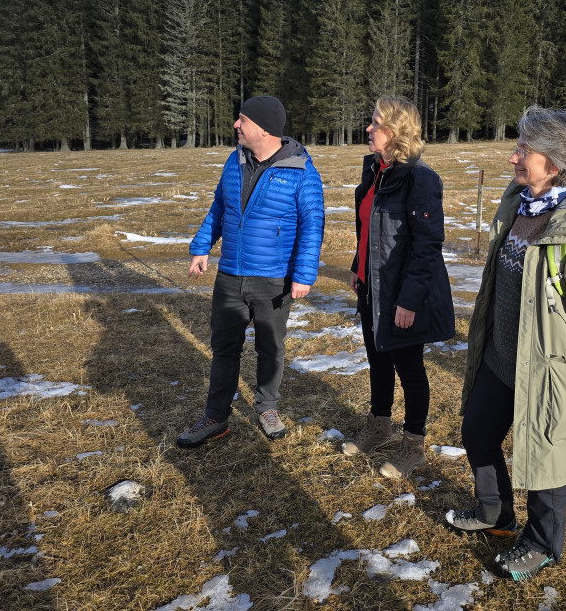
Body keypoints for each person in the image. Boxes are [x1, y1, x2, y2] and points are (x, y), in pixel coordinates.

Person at [447, 106, 566, 581]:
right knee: (477, 434)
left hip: (548, 369)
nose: (513, 158)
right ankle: (495, 513)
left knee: (547, 459)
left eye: (525, 150)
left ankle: (543, 542)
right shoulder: (517, 204)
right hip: (500, 358)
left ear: (557, 162)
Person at [177, 95, 325, 447]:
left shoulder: (301, 170)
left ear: (263, 128)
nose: (236, 125)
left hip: (273, 279)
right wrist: (201, 246)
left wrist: (304, 274)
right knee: (224, 348)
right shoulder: (234, 160)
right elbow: (219, 205)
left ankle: (267, 407)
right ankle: (215, 417)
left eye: (241, 119)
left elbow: (312, 224)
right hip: (230, 275)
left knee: (270, 347)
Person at [341, 96, 454, 479]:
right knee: (377, 360)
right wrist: (358, 268)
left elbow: (426, 247)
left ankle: (413, 444)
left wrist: (408, 301)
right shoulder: (374, 171)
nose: (368, 129)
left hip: (403, 293)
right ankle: (379, 425)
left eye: (376, 123)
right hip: (372, 288)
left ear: (396, 131)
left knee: (409, 367)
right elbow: (367, 230)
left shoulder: (421, 179)